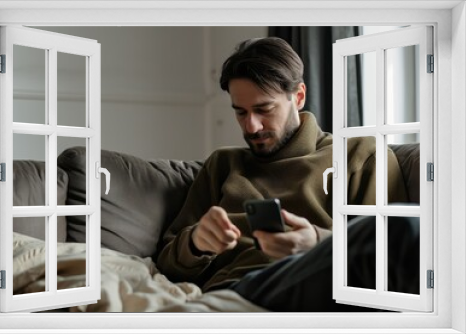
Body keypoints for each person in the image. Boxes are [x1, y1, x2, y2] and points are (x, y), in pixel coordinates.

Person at [156, 37, 415, 312]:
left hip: (322, 282)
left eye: (263, 109)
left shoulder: (361, 154)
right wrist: (196, 243)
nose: (252, 126)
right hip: (240, 289)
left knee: (406, 229)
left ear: (299, 97)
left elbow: (383, 251)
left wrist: (316, 242)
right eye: (240, 112)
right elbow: (166, 263)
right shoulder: (223, 164)